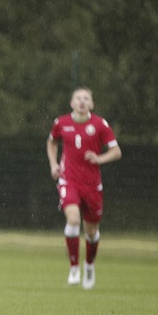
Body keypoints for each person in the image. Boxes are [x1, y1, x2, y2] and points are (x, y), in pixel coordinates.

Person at [46, 87, 121, 290]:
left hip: (92, 184)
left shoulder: (99, 124)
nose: (82, 101)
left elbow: (116, 151)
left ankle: (89, 265)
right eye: (78, 98)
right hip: (68, 180)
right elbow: (51, 142)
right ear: (71, 103)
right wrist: (53, 164)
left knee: (91, 231)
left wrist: (100, 158)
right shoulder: (61, 122)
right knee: (73, 219)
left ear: (92, 104)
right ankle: (74, 268)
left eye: (86, 98)